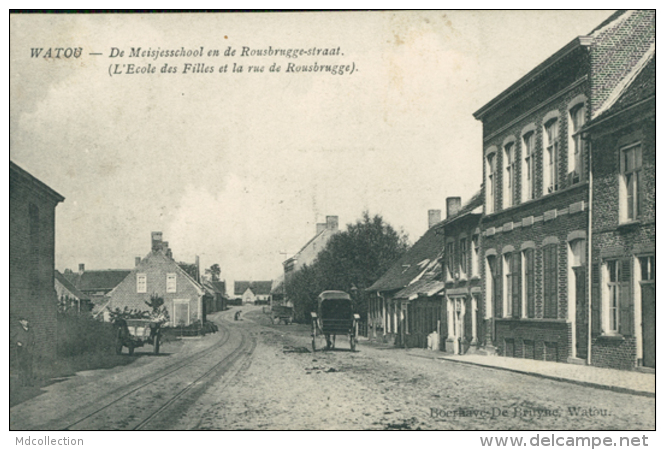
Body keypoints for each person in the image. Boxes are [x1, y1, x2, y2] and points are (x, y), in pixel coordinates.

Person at [11, 318, 35, 386]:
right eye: (24, 321)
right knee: (22, 366)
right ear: (20, 322)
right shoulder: (18, 329)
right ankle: (22, 382)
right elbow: (12, 338)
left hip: (29, 350)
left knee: (29, 366)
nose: (26, 322)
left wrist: (33, 343)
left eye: (27, 321)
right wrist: (17, 342)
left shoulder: (30, 330)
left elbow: (33, 337)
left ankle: (29, 382)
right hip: (21, 350)